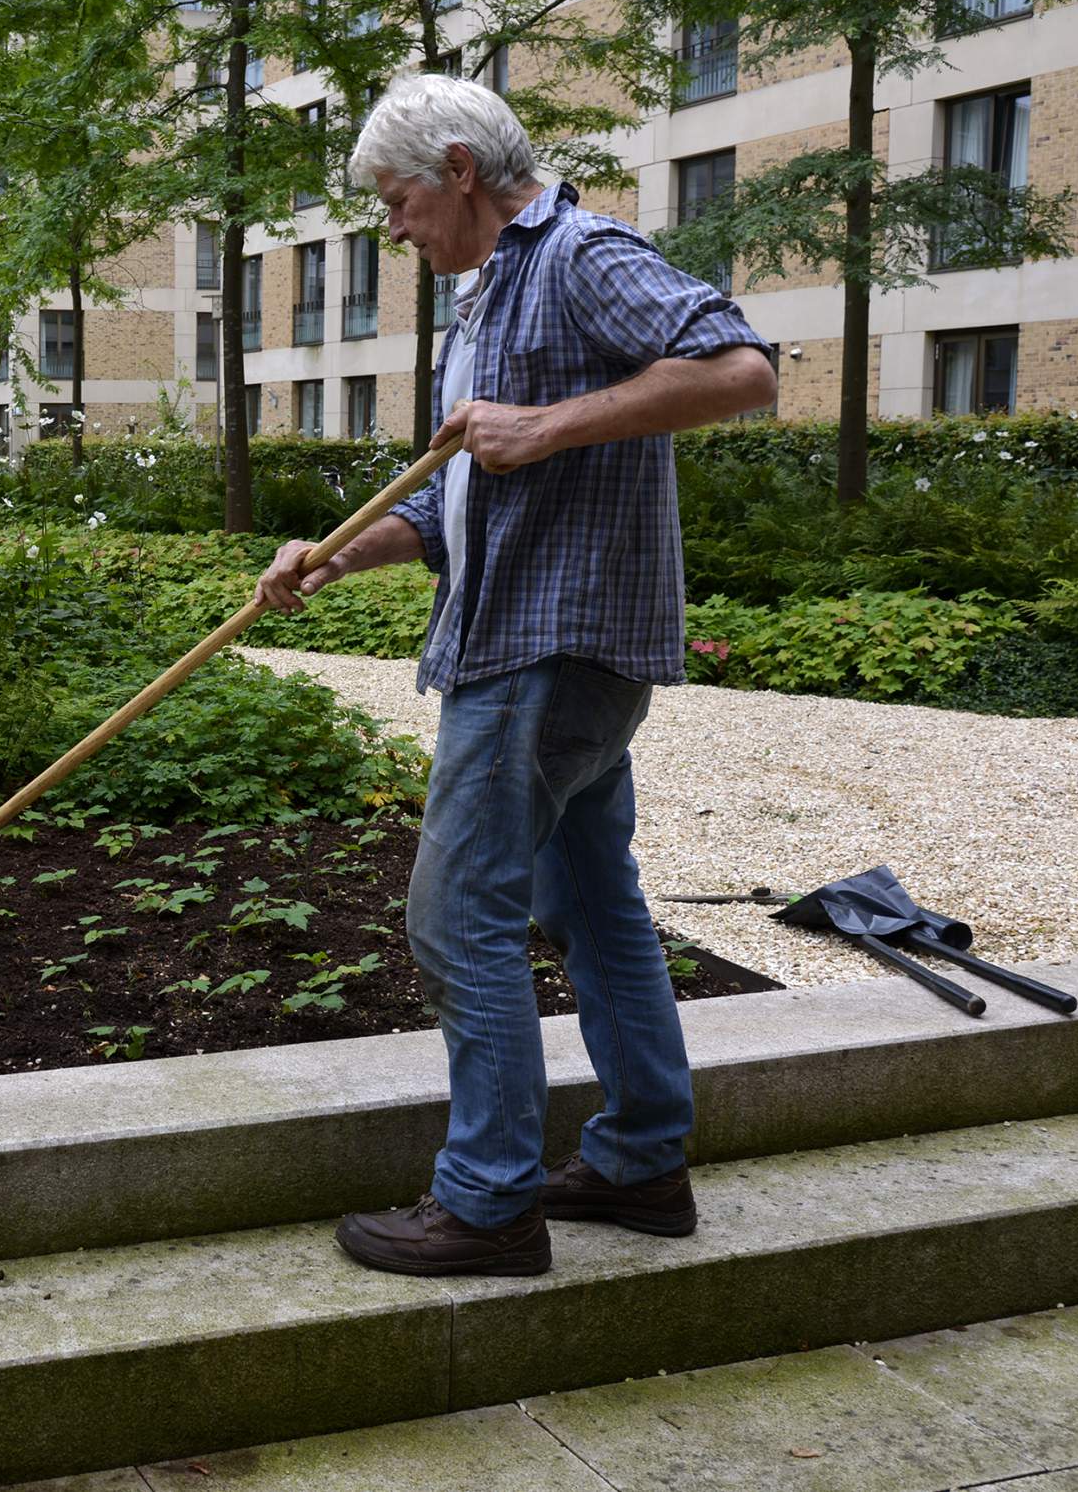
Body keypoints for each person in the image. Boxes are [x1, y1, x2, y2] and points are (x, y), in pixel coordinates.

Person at [254, 75, 776, 1277]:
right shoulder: (481, 306)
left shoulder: (581, 251)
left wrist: (544, 427)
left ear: (458, 170)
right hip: (538, 644)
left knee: (455, 917)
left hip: (548, 650)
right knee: (590, 903)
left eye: (394, 200)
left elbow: (743, 368)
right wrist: (332, 558)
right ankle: (643, 1159)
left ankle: (488, 1201)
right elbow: (453, 505)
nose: (390, 227)